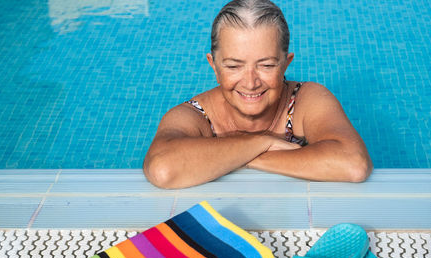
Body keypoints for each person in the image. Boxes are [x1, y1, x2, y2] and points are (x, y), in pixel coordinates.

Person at [144, 0, 372, 189]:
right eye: (234, 66)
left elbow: (353, 164)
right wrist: (263, 142)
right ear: (214, 66)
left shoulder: (305, 100)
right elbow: (163, 169)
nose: (251, 83)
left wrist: (244, 156)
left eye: (266, 66)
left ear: (285, 64)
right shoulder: (194, 116)